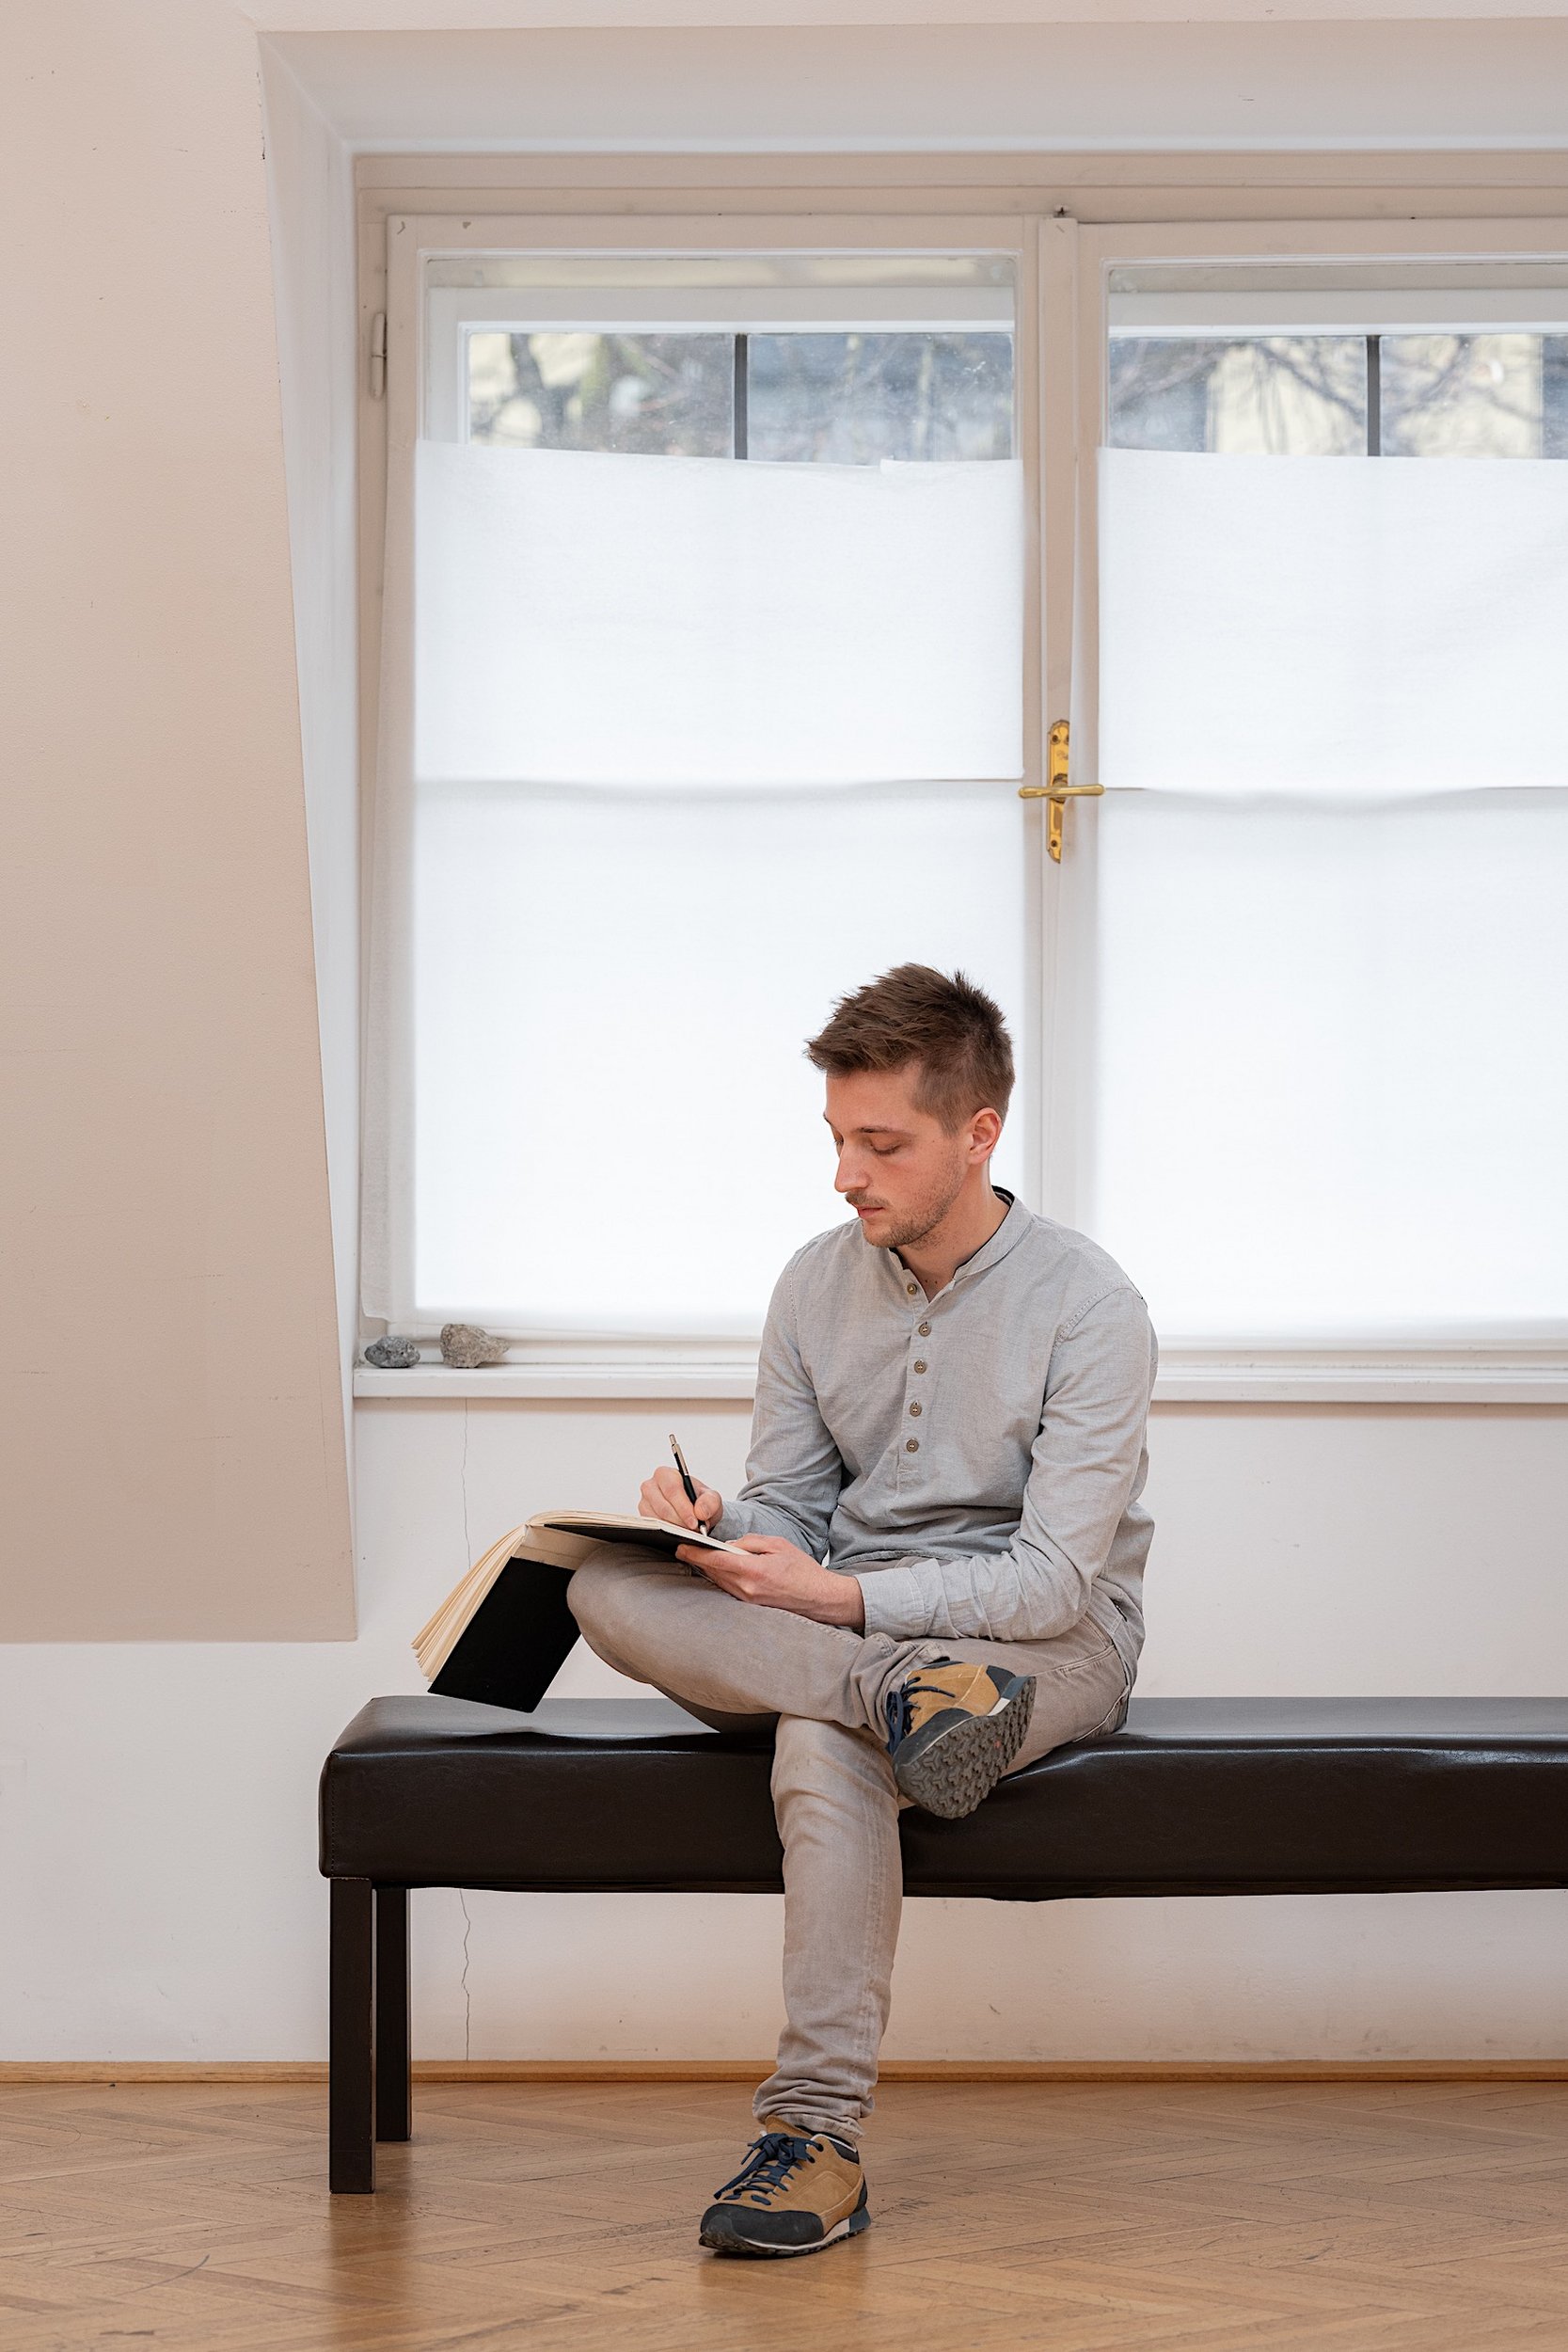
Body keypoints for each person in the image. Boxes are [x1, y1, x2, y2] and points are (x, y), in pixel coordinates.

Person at [568, 963, 1156, 2259]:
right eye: (837, 1140)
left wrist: (836, 1597)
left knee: (821, 1737)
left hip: (1043, 1648)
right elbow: (796, 1503)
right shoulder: (812, 1284)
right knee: (601, 1582)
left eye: (882, 1145)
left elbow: (1052, 1580)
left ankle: (814, 2139)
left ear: (978, 1133)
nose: (848, 1175)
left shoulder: (1091, 1306)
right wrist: (724, 1527)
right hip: (862, 1647)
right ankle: (893, 1695)